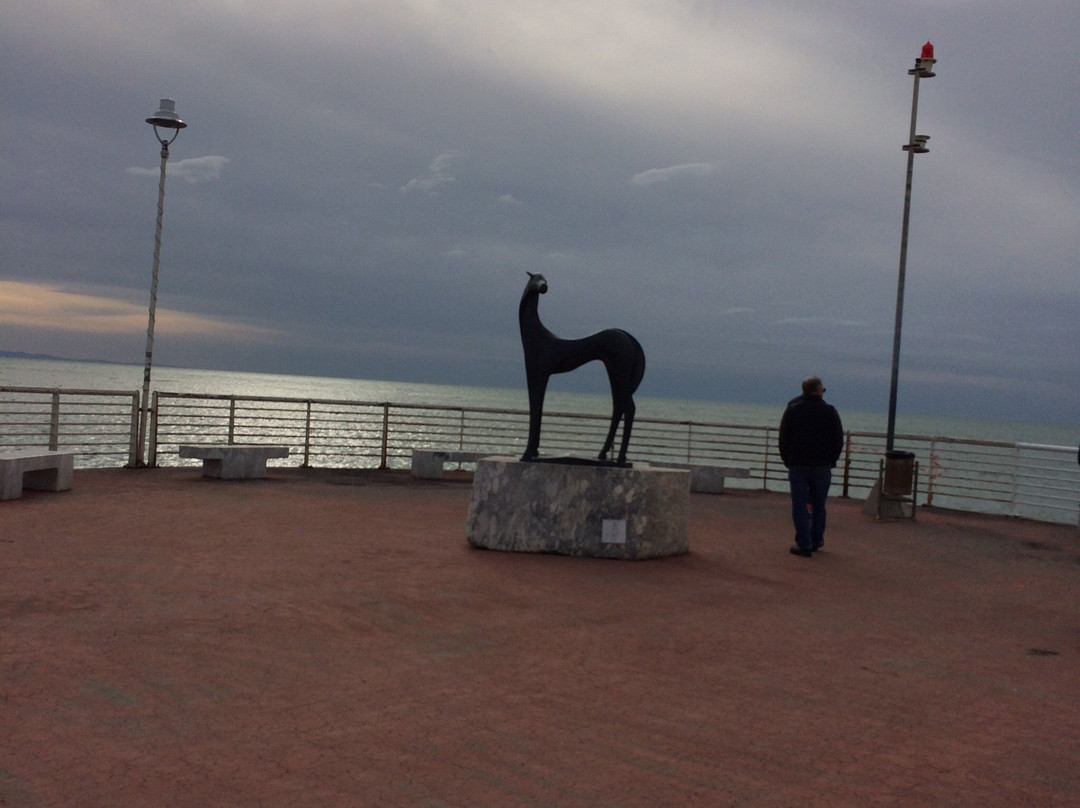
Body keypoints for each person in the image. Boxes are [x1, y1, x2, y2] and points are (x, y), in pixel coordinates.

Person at [778, 376, 844, 558]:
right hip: (822, 465)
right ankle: (816, 540)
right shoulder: (830, 411)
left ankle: (804, 543)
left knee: (799, 504)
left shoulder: (792, 410)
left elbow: (783, 438)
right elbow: (838, 440)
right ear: (817, 390)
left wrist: (788, 460)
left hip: (798, 464)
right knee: (819, 504)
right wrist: (831, 460)